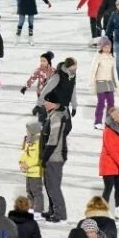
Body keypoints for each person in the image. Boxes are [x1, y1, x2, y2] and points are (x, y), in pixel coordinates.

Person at [39, 92, 71, 223]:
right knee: (49, 185)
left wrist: (45, 157)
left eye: (47, 101)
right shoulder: (52, 115)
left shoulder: (56, 117)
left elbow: (53, 139)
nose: (44, 103)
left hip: (54, 157)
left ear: (53, 103)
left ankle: (60, 214)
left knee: (53, 186)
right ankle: (52, 210)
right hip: (52, 156)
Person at [98, 107, 119, 219]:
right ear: (116, 119)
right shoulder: (108, 131)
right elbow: (111, 150)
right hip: (108, 164)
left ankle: (118, 210)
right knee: (109, 187)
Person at [18, 120, 44, 217]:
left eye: (28, 130)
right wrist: (21, 162)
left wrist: (27, 164)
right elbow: (25, 153)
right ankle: (31, 209)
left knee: (36, 192)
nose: (26, 131)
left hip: (36, 172)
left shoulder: (38, 142)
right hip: (29, 172)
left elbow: (37, 158)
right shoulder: (30, 140)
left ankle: (38, 212)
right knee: (29, 192)